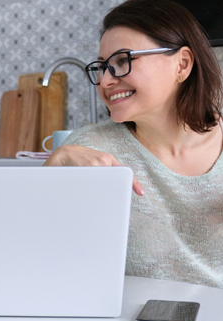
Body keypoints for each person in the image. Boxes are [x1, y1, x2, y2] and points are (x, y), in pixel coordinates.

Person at [45, 0, 223, 288]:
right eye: (102, 67)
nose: (104, 81)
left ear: (183, 64)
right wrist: (49, 174)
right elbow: (41, 257)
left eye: (121, 61)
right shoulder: (89, 149)